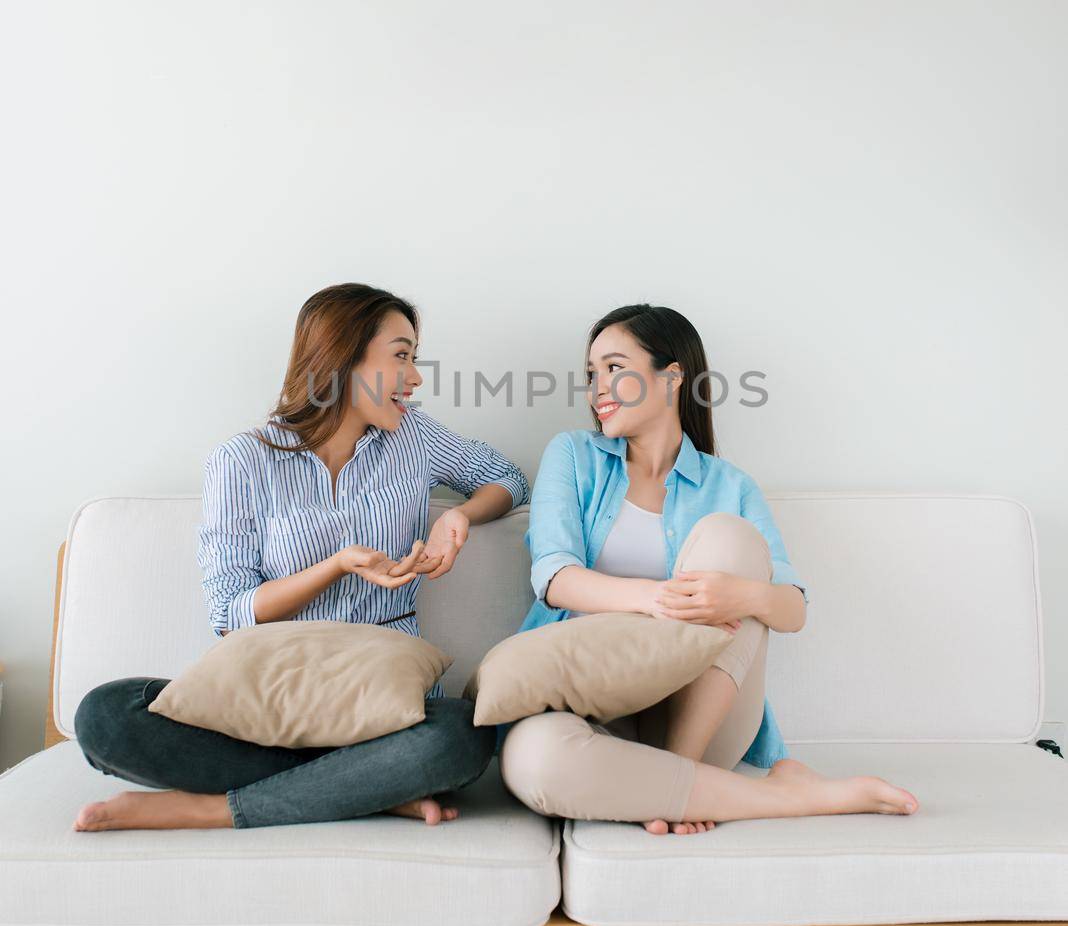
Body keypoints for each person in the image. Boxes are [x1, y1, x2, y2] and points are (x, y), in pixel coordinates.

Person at [72, 282, 530, 832]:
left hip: (383, 705)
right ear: (343, 357)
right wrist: (334, 566)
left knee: (461, 734)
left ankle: (222, 807)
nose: (415, 378)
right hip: (273, 700)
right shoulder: (243, 460)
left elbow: (507, 478)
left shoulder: (414, 437)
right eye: (402, 356)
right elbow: (231, 614)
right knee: (103, 716)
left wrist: (459, 516)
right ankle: (366, 786)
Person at [499, 303, 919, 834]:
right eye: (591, 374)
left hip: (698, 718)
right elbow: (555, 578)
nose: (596, 388)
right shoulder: (574, 455)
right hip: (590, 711)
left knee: (730, 540)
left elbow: (792, 608)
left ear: (671, 377)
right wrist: (655, 599)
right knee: (535, 761)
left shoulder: (731, 486)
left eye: (613, 368)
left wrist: (738, 597)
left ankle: (682, 769)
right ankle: (772, 794)